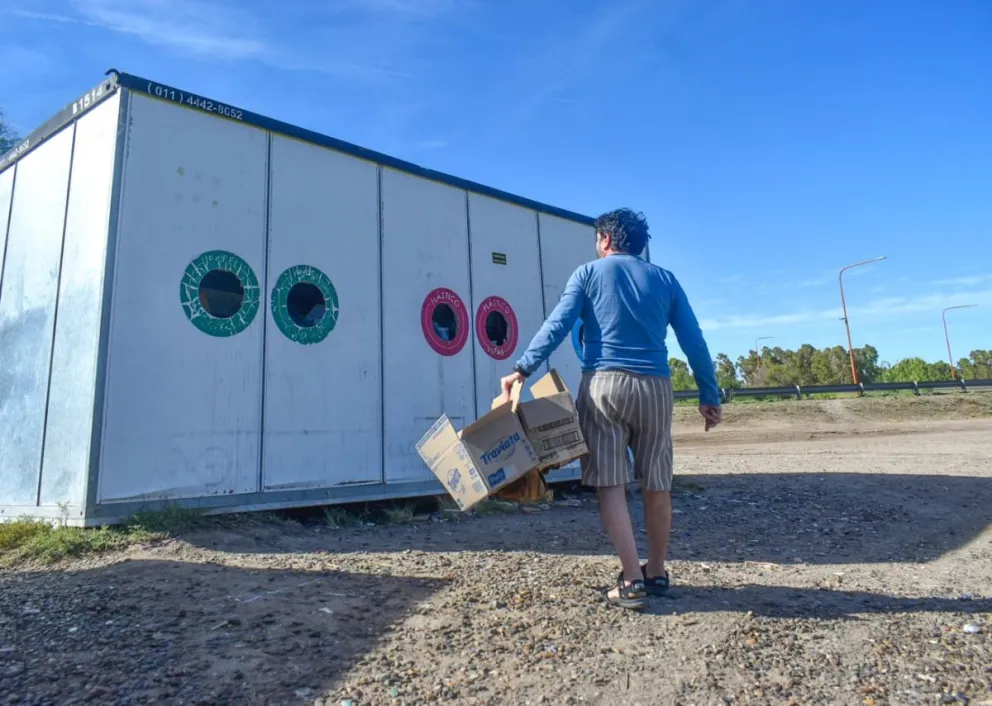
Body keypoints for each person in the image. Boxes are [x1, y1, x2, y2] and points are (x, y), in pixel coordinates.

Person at [500, 208, 722, 610]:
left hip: (604, 385)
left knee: (610, 483)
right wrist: (709, 393)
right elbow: (694, 340)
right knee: (657, 480)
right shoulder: (666, 280)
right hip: (656, 386)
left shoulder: (587, 274)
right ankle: (656, 571)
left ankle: (632, 581)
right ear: (640, 244)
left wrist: (522, 369)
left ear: (604, 239)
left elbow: (558, 324)